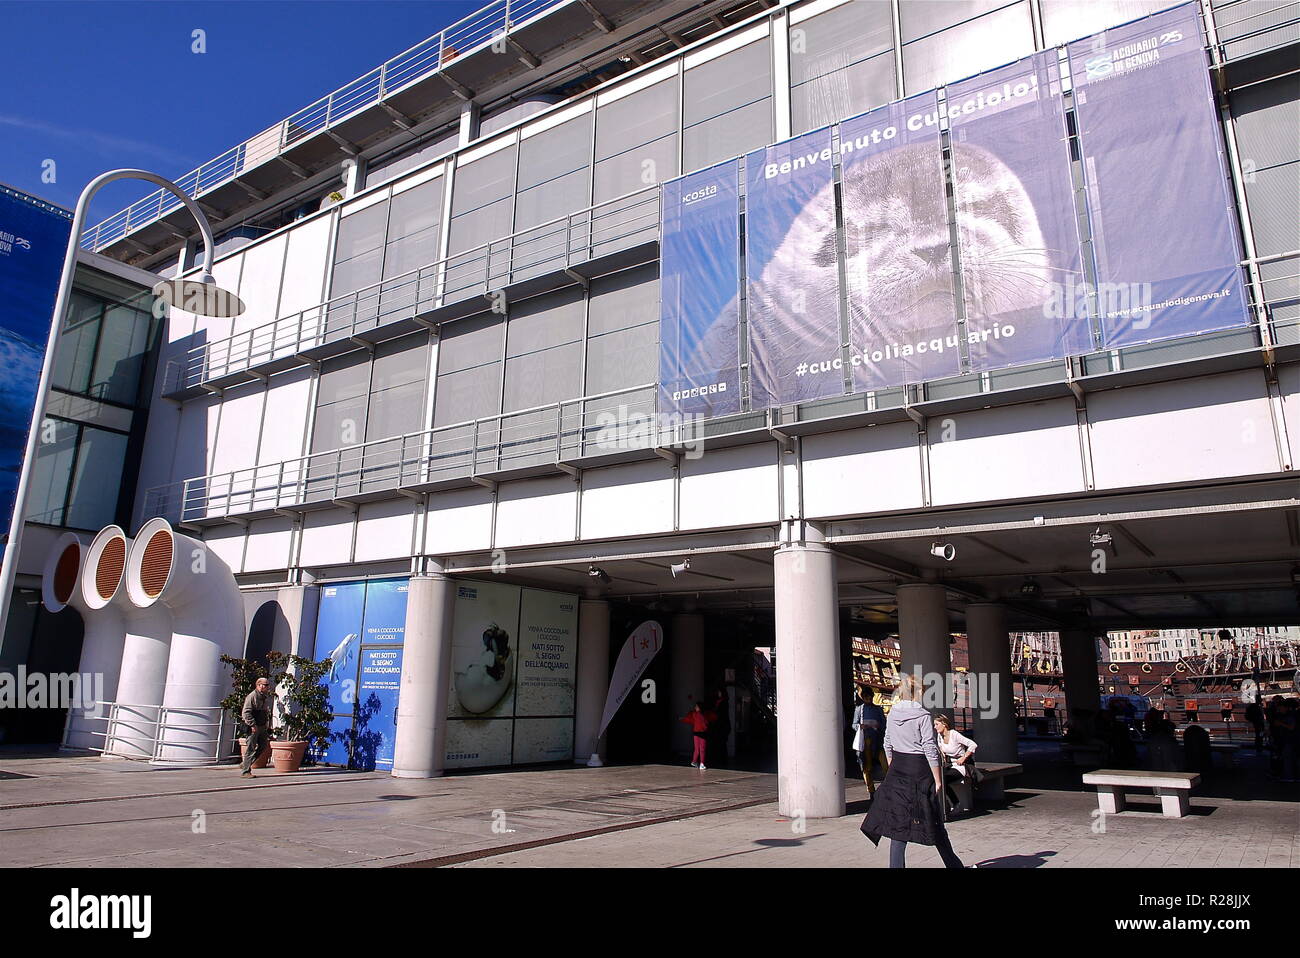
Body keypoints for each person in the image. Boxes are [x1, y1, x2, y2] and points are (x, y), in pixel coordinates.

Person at [860, 673, 965, 869]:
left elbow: (887, 742)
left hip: (898, 768)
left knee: (898, 826)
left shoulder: (892, 713)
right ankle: (954, 866)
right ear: (919, 693)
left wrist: (893, 766)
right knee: (933, 820)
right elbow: (929, 747)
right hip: (919, 770)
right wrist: (938, 778)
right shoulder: (923, 715)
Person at [934, 714, 978, 817]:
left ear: (944, 724)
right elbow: (941, 750)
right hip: (949, 765)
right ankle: (945, 805)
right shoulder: (940, 736)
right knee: (937, 778)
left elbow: (973, 744)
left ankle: (955, 803)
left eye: (936, 724)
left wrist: (963, 757)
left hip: (961, 766)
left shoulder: (954, 734)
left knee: (943, 779)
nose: (935, 727)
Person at [240, 676, 273, 778]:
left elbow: (265, 712)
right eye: (266, 685)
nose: (268, 687)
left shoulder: (264, 697)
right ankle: (246, 771)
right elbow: (246, 712)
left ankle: (246, 763)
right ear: (259, 685)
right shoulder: (252, 696)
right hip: (254, 726)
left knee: (263, 746)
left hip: (262, 726)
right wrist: (252, 725)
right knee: (251, 748)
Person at [679, 702, 714, 769]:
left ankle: (694, 761)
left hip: (696, 733)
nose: (695, 707)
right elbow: (705, 723)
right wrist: (706, 728)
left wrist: (682, 719)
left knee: (697, 749)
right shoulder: (703, 715)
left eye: (696, 706)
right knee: (702, 749)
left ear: (700, 707)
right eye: (696, 706)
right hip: (702, 733)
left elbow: (689, 720)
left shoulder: (694, 714)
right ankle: (702, 763)